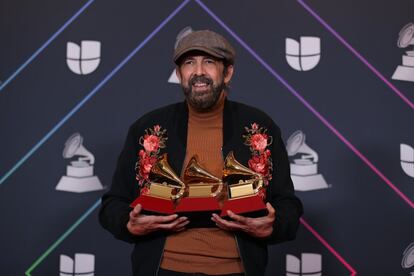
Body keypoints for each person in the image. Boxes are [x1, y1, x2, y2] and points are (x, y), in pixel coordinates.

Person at [99, 29, 303, 276]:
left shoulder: (259, 126)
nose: (198, 72)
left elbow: (287, 204)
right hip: (162, 269)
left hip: (236, 270)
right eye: (189, 63)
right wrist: (128, 224)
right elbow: (112, 204)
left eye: (209, 62)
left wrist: (273, 226)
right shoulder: (147, 128)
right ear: (179, 74)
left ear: (227, 73)